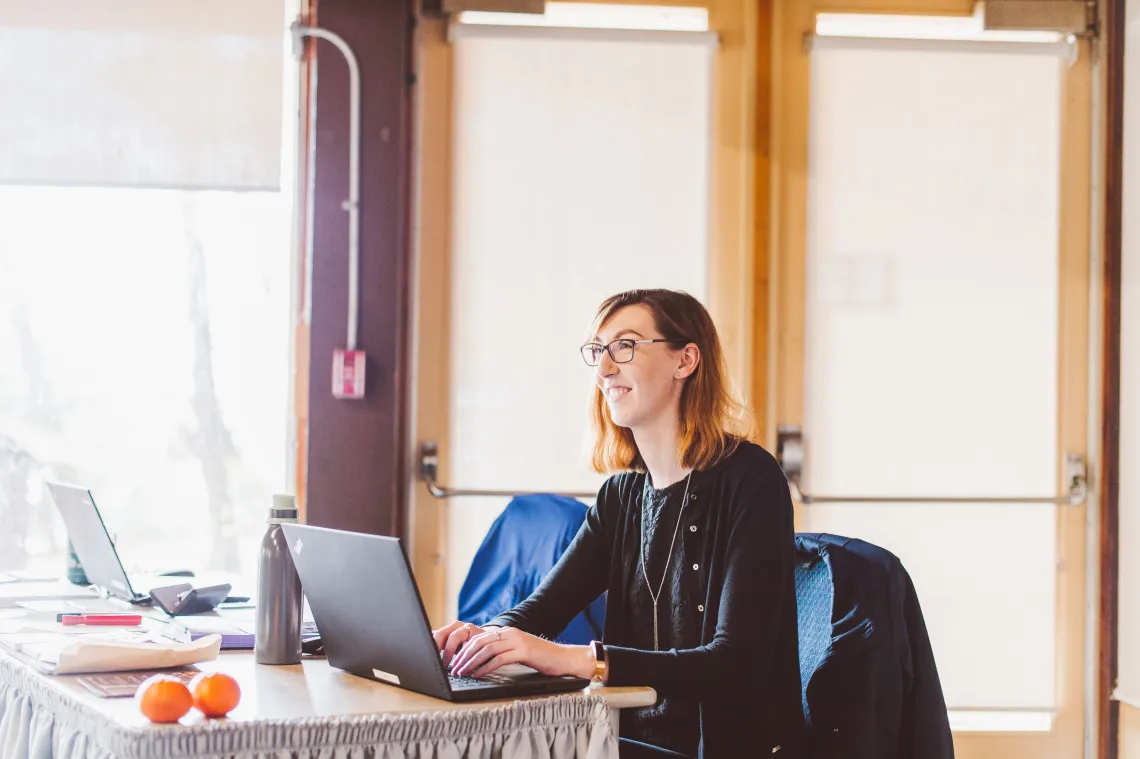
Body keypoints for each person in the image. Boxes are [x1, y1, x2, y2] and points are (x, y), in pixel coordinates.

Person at [433, 289, 804, 758]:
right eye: (598, 351)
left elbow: (735, 663)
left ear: (685, 360)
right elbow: (540, 611)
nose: (605, 369)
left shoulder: (751, 478)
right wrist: (482, 637)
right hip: (623, 742)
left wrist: (575, 658)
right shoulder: (622, 495)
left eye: (625, 346)